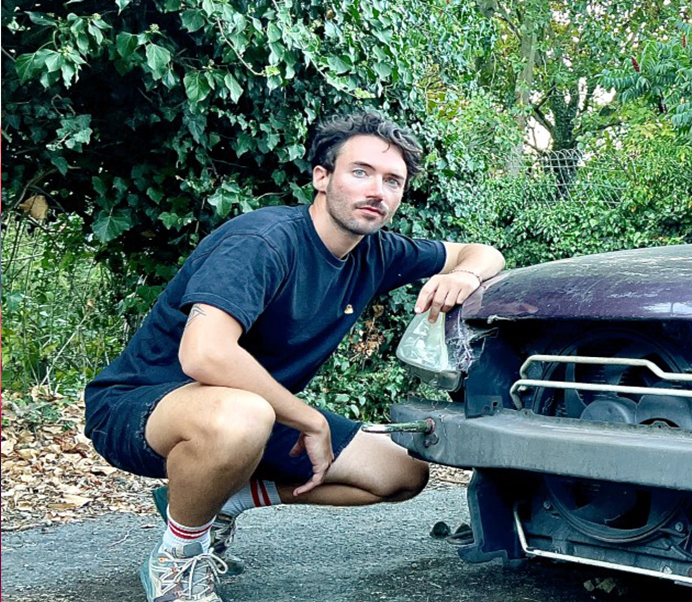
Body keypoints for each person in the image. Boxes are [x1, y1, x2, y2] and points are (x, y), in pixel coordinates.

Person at [82, 110, 506, 602]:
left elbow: (483, 252)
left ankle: (223, 500)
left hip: (251, 415)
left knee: (401, 472)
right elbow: (204, 354)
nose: (377, 191)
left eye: (393, 181)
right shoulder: (263, 242)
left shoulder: (377, 252)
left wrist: (464, 275)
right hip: (141, 407)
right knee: (243, 415)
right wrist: (310, 420)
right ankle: (177, 560)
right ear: (321, 178)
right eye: (361, 172)